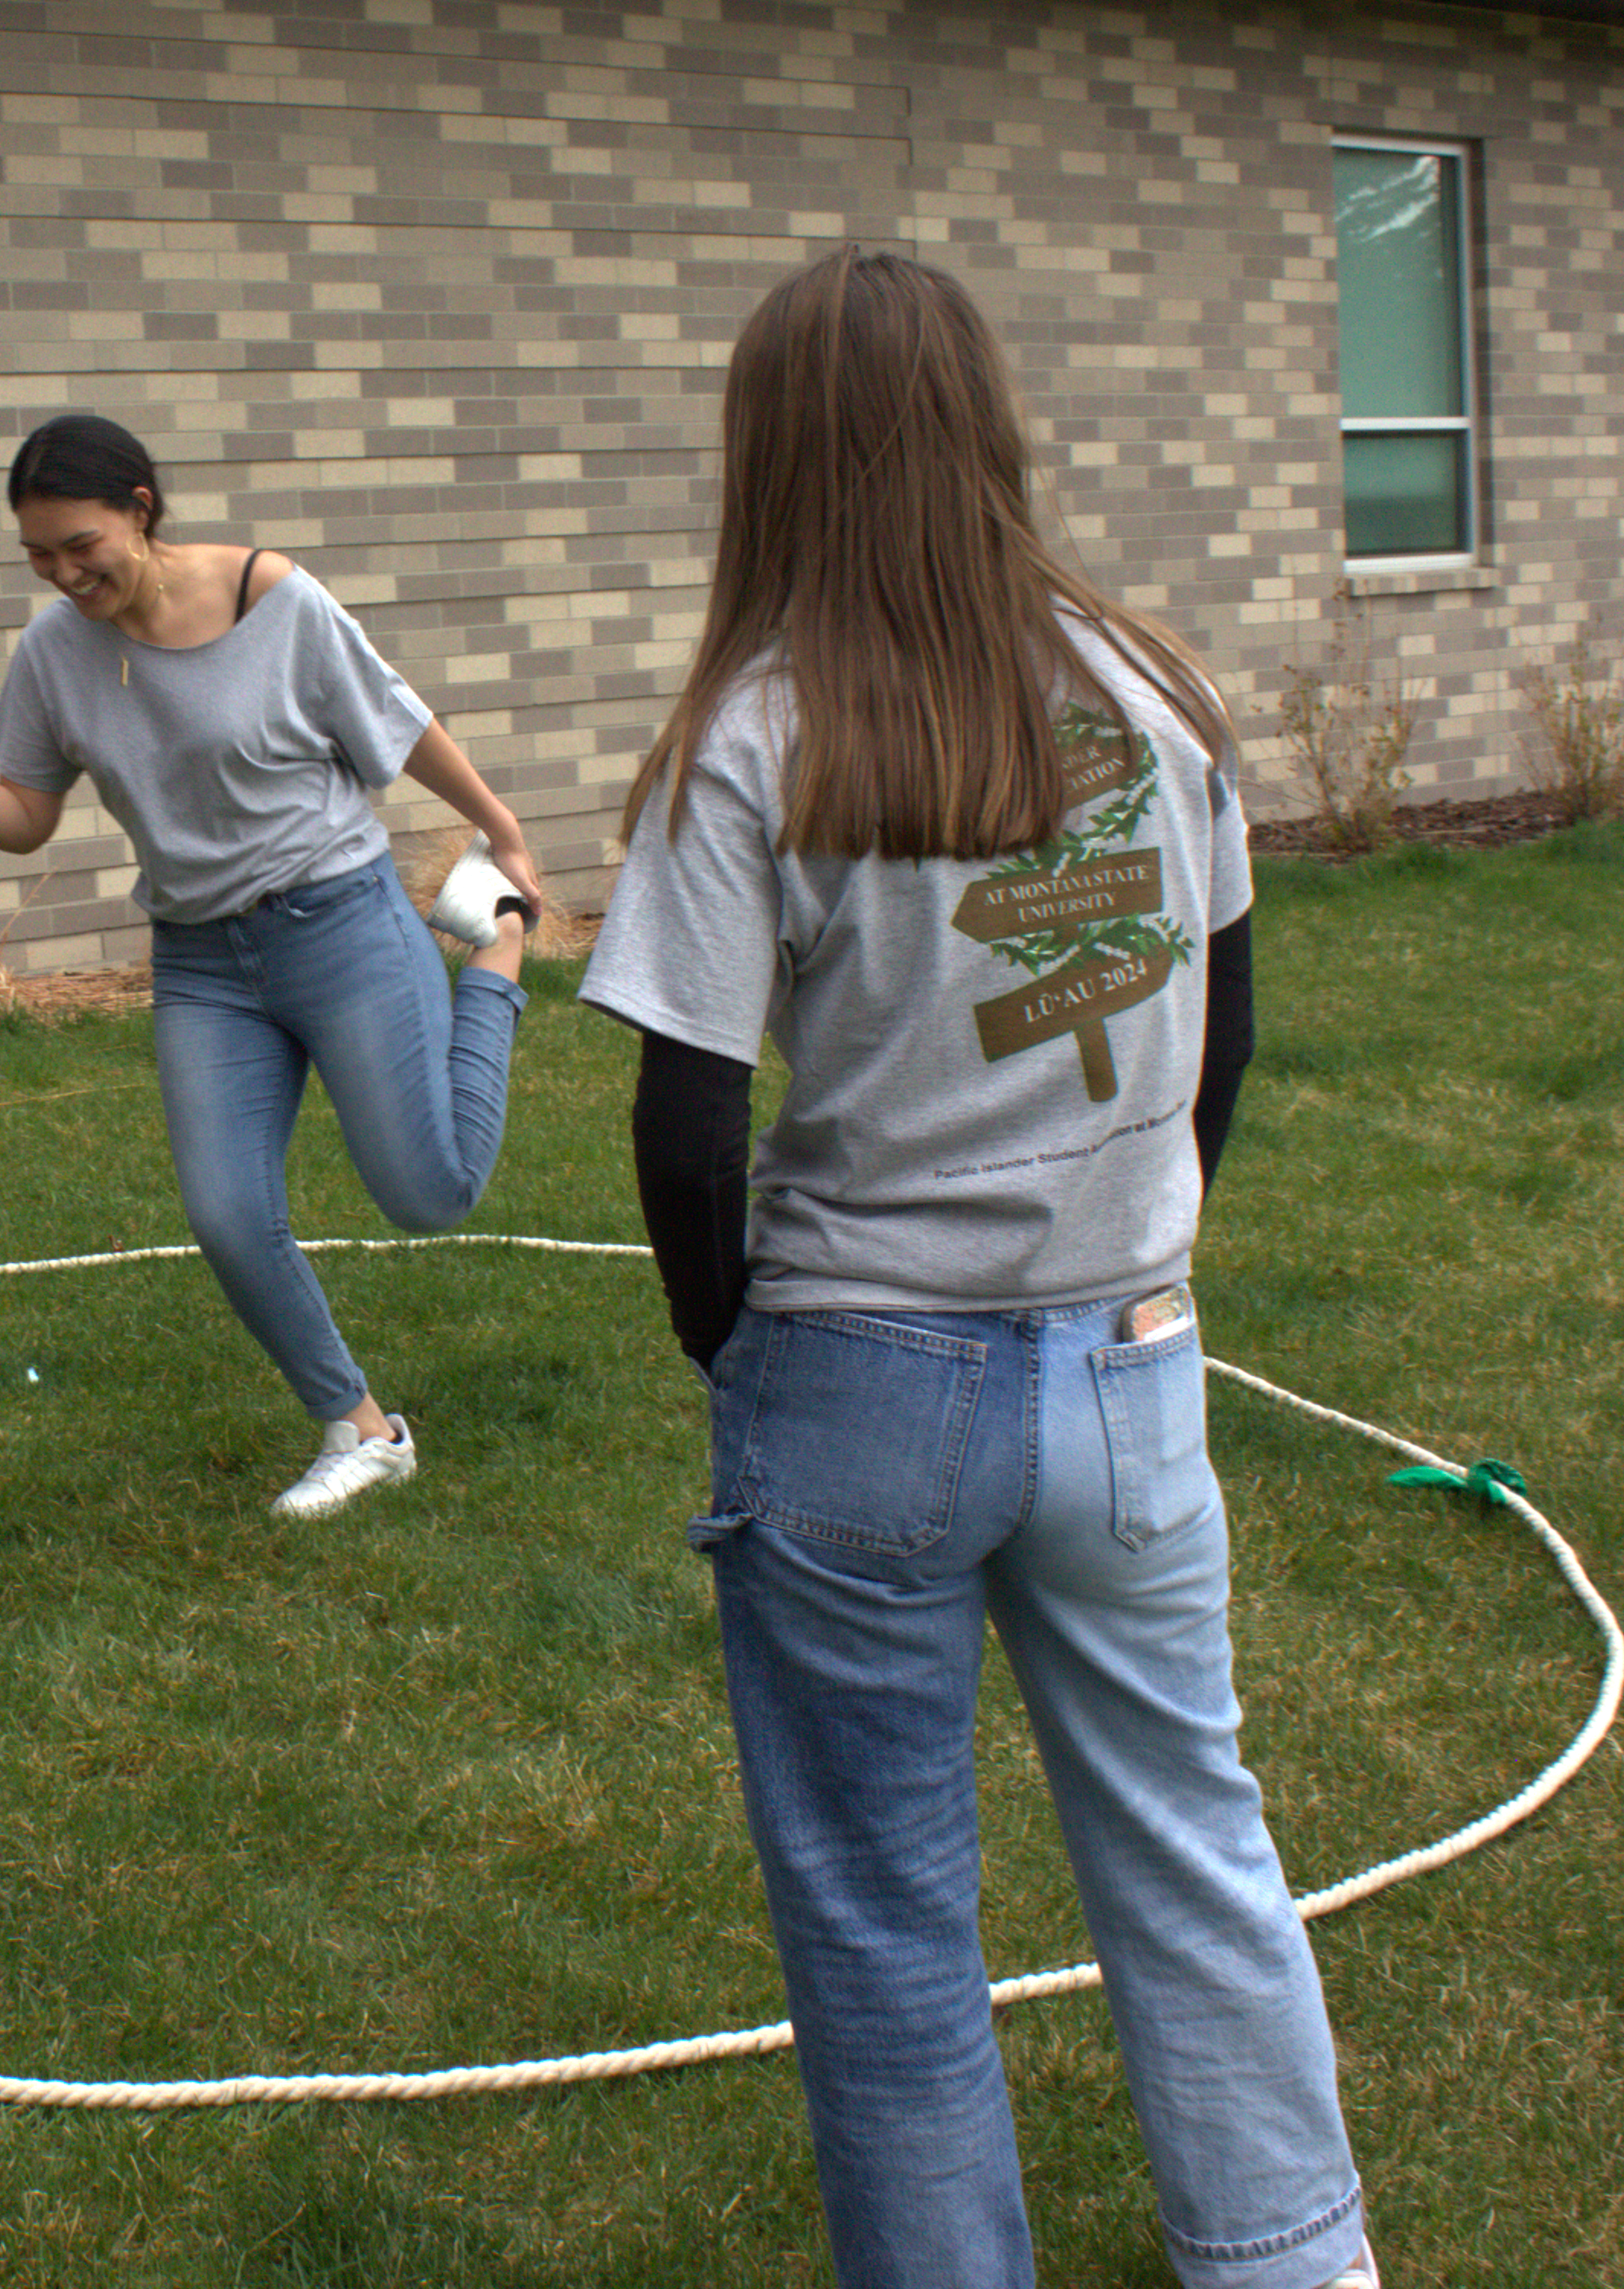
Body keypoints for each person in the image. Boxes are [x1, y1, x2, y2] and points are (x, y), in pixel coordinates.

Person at [584, 248, 1369, 2289]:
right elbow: (1231, 1026)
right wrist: (1130, 1234)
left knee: (881, 1916)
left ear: (769, 459)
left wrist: (736, 1358)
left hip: (859, 1392)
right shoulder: (1161, 686)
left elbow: (685, 1123)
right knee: (1196, 1845)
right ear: (987, 428)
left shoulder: (749, 732)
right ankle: (1296, 2261)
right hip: (1131, 1371)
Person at [0, 414, 540, 1517]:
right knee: (226, 1214)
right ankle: (362, 1431)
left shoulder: (276, 601)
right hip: (202, 960)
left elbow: (396, 720)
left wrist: (498, 829)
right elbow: (26, 813)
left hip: (342, 922)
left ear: (140, 506)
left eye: (79, 545)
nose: (63, 574)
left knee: (428, 1194)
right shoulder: (52, 652)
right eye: (38, 556)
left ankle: (496, 959)